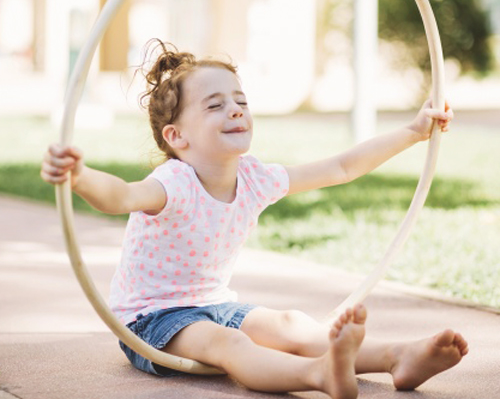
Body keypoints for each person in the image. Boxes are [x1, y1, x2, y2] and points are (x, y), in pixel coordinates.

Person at [41, 40, 468, 399]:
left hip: (216, 303)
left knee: (291, 323)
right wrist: (78, 175)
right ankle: (317, 375)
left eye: (241, 101)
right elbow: (120, 196)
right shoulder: (172, 183)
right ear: (177, 136)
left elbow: (341, 168)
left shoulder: (255, 178)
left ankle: (397, 357)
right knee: (229, 343)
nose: (235, 110)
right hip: (153, 320)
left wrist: (413, 132)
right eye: (215, 105)